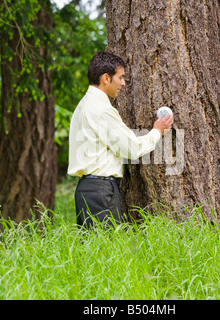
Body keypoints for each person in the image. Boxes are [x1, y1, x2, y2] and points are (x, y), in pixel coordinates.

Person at [67, 51, 173, 229]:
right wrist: (157, 131)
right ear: (106, 78)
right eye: (121, 77)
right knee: (105, 250)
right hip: (101, 191)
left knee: (93, 251)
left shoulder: (83, 105)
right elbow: (131, 149)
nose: (123, 83)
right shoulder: (101, 110)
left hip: (86, 189)